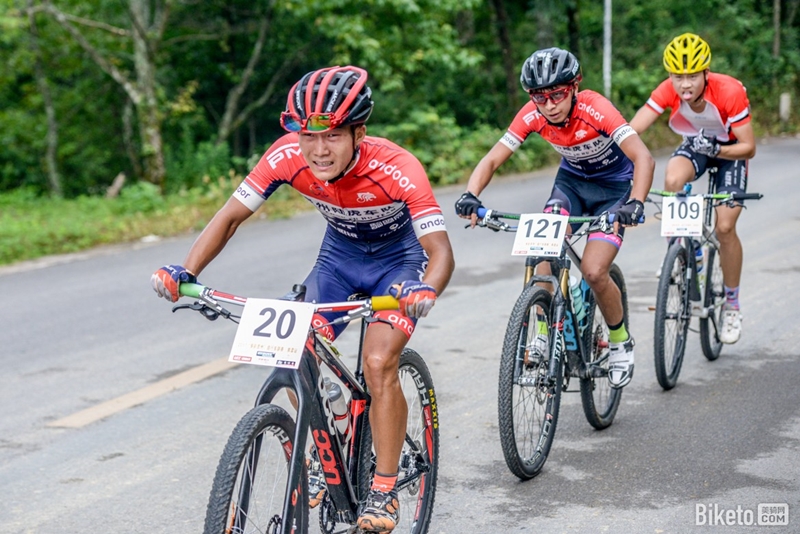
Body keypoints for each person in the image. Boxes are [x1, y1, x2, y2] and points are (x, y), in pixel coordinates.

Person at [151, 66, 454, 533]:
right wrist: (187, 271)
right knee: (288, 352)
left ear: (359, 132)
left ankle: (385, 488)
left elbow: (440, 252)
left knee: (377, 363)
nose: (317, 150)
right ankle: (328, 432)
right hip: (338, 259)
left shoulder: (398, 167)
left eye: (332, 136)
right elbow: (231, 216)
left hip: (399, 264)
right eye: (306, 136)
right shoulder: (285, 156)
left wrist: (425, 288)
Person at [455, 47, 654, 389]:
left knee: (593, 270)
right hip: (572, 186)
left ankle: (620, 340)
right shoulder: (531, 115)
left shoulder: (596, 108)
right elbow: (491, 159)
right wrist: (471, 195)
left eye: (557, 94)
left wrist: (635, 202)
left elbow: (644, 158)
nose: (549, 104)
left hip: (614, 189)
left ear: (575, 87)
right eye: (539, 97)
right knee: (542, 251)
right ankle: (544, 333)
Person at [629, 33, 756, 344]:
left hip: (730, 152)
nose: (684, 84)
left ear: (705, 73)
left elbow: (749, 147)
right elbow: (632, 130)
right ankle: (687, 249)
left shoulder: (728, 92)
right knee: (673, 179)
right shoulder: (667, 90)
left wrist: (718, 149)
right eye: (677, 76)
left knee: (725, 227)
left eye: (692, 76)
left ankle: (732, 305)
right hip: (697, 145)